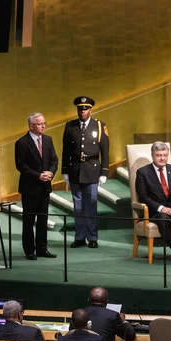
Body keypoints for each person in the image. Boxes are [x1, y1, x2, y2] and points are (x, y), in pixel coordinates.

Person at [62, 96, 110, 249]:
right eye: (80, 109)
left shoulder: (99, 126)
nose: (82, 112)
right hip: (75, 170)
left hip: (92, 170)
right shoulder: (70, 126)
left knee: (91, 205)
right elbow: (66, 150)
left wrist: (104, 172)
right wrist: (65, 171)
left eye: (85, 109)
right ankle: (80, 236)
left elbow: (105, 151)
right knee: (78, 206)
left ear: (90, 110)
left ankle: (92, 237)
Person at [15, 112, 58, 260]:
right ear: (32, 126)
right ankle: (29, 250)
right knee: (29, 220)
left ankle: (42, 248)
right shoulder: (22, 142)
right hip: (30, 187)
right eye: (40, 124)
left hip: (45, 187)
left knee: (43, 219)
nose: (43, 126)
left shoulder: (48, 140)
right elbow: (21, 165)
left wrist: (51, 173)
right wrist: (38, 175)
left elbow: (54, 160)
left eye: (44, 123)